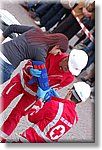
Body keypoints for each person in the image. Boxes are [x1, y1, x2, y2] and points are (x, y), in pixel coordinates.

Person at [14, 81, 91, 143]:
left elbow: (31, 117)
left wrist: (39, 101)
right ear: (80, 102)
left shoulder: (53, 105)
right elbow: (62, 113)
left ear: (70, 92)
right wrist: (57, 100)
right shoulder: (74, 119)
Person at [0, 24, 69, 84]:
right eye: (58, 52)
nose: (55, 54)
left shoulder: (35, 30)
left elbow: (12, 27)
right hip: (6, 67)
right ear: (57, 46)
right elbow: (42, 76)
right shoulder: (41, 53)